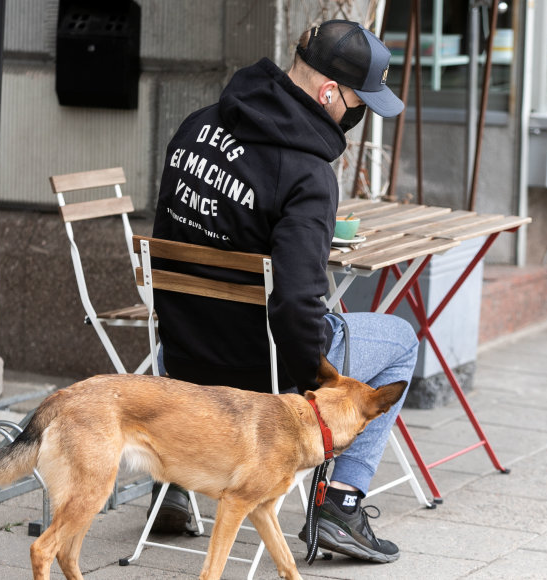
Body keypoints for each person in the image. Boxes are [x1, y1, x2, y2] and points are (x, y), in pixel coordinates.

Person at [148, 19, 419, 564]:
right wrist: (312, 389)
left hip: (178, 357)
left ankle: (176, 479)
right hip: (257, 373)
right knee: (400, 338)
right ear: (327, 94)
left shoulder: (197, 126)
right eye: (358, 102)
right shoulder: (306, 174)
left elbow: (169, 235)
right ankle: (341, 505)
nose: (358, 114)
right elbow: (296, 306)